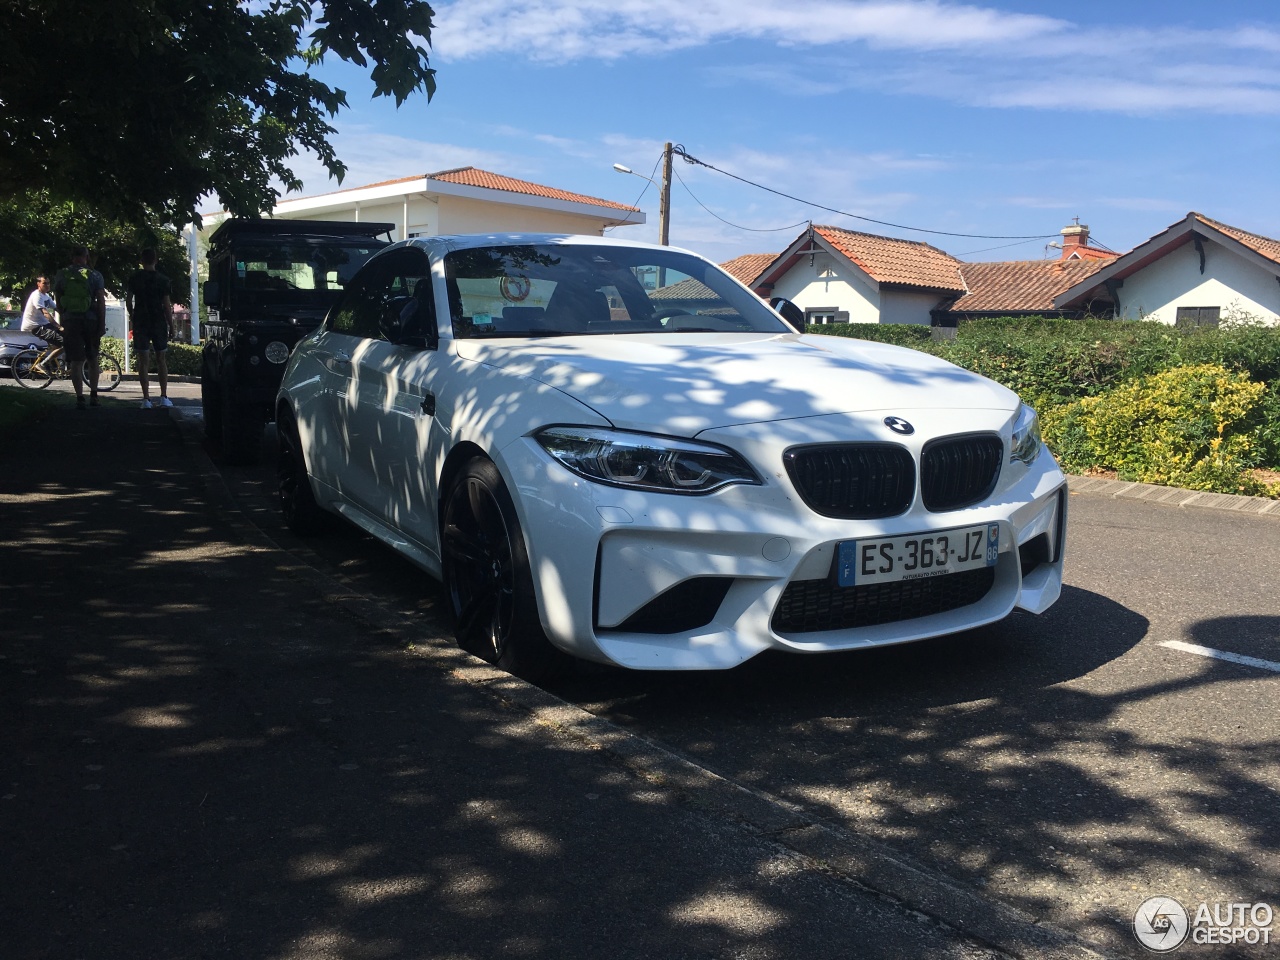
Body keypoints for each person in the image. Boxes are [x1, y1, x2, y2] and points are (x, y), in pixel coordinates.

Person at [52, 246, 107, 409]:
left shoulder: (62, 274)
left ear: (72, 257)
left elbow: (58, 299)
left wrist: (63, 317)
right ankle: (94, 395)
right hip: (91, 319)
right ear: (86, 256)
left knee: (76, 361)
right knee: (92, 358)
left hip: (71, 320)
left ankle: (79, 398)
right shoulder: (95, 275)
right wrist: (102, 323)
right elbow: (101, 301)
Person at [125, 248, 175, 409]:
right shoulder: (163, 280)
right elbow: (166, 306)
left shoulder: (134, 278)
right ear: (156, 260)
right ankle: (164, 396)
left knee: (143, 361)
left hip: (141, 320)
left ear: (141, 260)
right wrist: (171, 325)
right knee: (161, 359)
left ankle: (146, 398)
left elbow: (128, 300)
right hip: (158, 320)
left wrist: (133, 316)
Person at [20, 275, 65, 373]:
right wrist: (58, 326)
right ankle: (43, 364)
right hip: (36, 326)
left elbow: (57, 309)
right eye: (44, 283)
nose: (47, 285)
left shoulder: (46, 296)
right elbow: (45, 312)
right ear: (38, 284)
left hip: (44, 325)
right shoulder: (37, 296)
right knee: (65, 343)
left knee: (67, 338)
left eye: (48, 283)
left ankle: (49, 359)